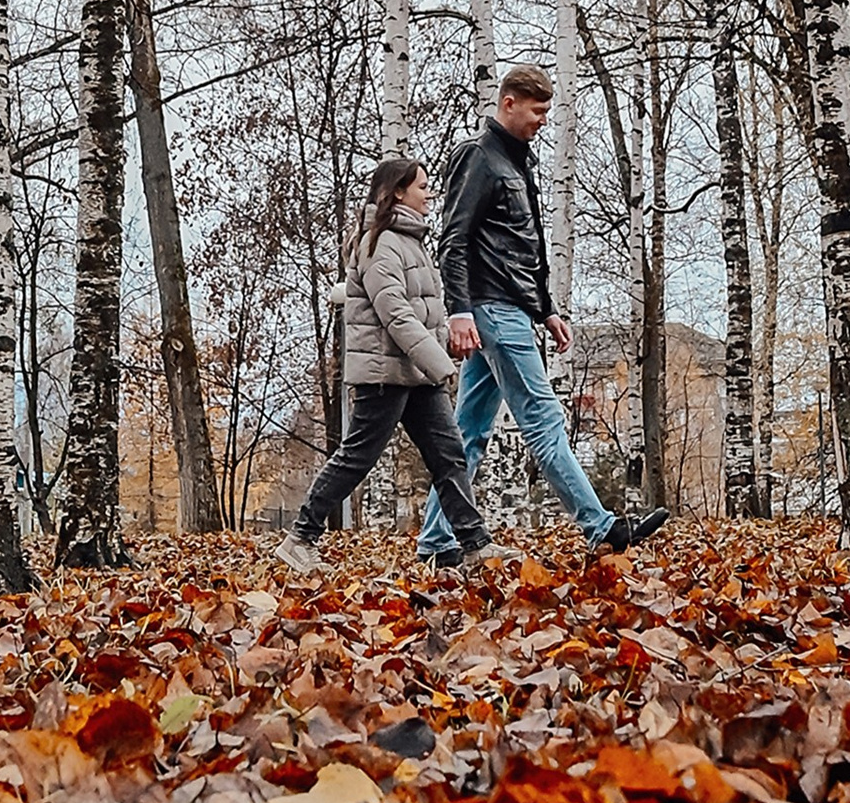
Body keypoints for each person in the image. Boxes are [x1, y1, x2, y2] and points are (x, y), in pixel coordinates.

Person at [418, 61, 670, 563]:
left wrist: (547, 309)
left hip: (513, 310)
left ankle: (436, 541)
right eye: (536, 111)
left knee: (468, 432)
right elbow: (454, 241)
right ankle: (600, 527)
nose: (542, 121)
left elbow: (523, 248)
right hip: (492, 311)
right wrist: (460, 312)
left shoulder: (518, 163)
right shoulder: (479, 159)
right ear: (508, 103)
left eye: (547, 112)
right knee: (544, 420)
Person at [285, 155, 496, 555]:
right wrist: (440, 362)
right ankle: (301, 537)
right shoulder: (378, 244)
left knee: (449, 457)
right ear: (398, 193)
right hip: (384, 374)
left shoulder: (409, 241)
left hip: (415, 373)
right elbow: (395, 314)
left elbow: (421, 310)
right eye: (421, 186)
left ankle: (475, 545)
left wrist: (441, 347)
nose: (429, 192)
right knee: (357, 459)